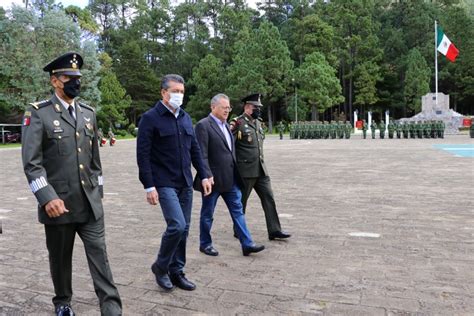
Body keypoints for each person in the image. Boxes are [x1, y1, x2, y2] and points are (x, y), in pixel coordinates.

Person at [21, 52, 122, 316]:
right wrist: (46, 198)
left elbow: (95, 162)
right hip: (59, 205)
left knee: (100, 255)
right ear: (55, 81)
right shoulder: (38, 113)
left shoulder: (88, 113)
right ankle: (63, 302)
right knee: (60, 259)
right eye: (69, 77)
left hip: (89, 205)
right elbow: (32, 164)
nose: (75, 82)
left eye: (78, 77)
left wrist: (97, 192)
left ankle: (111, 308)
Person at [136, 74, 212, 292]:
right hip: (163, 182)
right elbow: (143, 155)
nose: (179, 95)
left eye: (182, 91)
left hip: (185, 182)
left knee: (184, 229)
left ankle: (177, 271)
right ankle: (161, 266)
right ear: (163, 92)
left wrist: (205, 174)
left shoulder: (186, 118)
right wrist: (149, 186)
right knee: (176, 225)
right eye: (175, 91)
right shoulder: (150, 118)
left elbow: (195, 150)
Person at [194, 94, 265, 257]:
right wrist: (206, 175)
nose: (227, 111)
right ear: (213, 107)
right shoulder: (203, 125)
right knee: (207, 214)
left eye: (229, 108)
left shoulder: (227, 126)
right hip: (212, 180)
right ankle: (205, 244)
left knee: (238, 211)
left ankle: (247, 244)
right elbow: (201, 154)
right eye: (224, 108)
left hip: (230, 179)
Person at [230, 93, 291, 241]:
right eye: (256, 107)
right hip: (246, 171)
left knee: (269, 197)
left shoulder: (258, 123)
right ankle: (238, 229)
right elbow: (228, 145)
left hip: (261, 169)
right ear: (247, 107)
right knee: (241, 201)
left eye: (259, 107)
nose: (259, 110)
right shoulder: (238, 123)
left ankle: (275, 230)